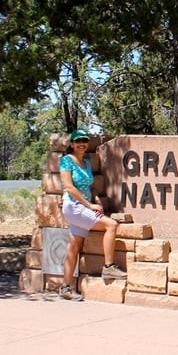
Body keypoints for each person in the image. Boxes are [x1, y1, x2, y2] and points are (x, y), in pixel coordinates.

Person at [58, 128, 127, 300]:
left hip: (83, 207)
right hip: (74, 207)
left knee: (74, 247)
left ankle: (65, 288)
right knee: (111, 225)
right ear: (72, 144)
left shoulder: (87, 162)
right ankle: (109, 266)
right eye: (78, 141)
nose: (82, 144)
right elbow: (69, 187)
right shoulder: (67, 161)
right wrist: (89, 205)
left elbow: (89, 186)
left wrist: (96, 199)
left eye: (84, 140)